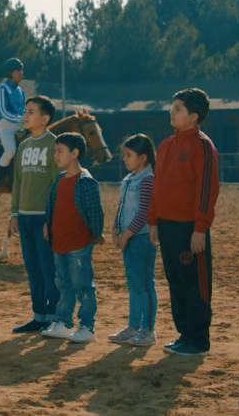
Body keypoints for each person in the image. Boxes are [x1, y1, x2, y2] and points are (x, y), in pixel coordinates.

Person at [147, 88, 220, 357]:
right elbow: (157, 186)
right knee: (176, 283)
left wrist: (200, 227)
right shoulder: (166, 144)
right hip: (166, 226)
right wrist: (153, 221)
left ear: (194, 117)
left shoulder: (202, 145)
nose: (171, 112)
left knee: (194, 285)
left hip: (190, 228)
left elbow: (207, 189)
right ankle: (184, 336)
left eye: (178, 109)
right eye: (173, 107)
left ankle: (198, 341)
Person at [40, 132, 105, 343]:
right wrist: (47, 225)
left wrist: (97, 233)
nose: (56, 155)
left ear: (74, 153)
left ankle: (87, 327)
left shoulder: (86, 181)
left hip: (78, 244)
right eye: (55, 151)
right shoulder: (59, 179)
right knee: (63, 285)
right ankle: (64, 323)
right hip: (58, 242)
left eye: (60, 151)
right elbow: (51, 206)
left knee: (83, 285)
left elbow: (95, 211)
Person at [8, 95, 63, 332]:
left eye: (31, 112)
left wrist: (50, 219)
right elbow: (18, 183)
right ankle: (39, 315)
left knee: (48, 270)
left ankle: (54, 316)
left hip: (44, 218)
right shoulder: (23, 146)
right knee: (32, 270)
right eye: (25, 111)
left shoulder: (54, 145)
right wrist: (14, 214)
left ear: (45, 118)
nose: (25, 115)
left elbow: (57, 184)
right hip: (25, 217)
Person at [107, 134, 158, 347]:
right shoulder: (129, 180)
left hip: (141, 240)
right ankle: (133, 326)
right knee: (133, 284)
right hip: (128, 238)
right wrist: (115, 229)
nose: (125, 159)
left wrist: (126, 235)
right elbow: (121, 207)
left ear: (143, 158)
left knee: (145, 285)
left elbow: (145, 212)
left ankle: (147, 330)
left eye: (129, 155)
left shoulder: (147, 180)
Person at [0, 58, 26, 195]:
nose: (21, 72)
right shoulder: (1, 89)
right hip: (6, 126)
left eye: (21, 70)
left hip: (21, 126)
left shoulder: (21, 91)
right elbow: (4, 112)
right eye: (18, 70)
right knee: (10, 151)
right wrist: (23, 120)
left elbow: (23, 111)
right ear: (10, 73)